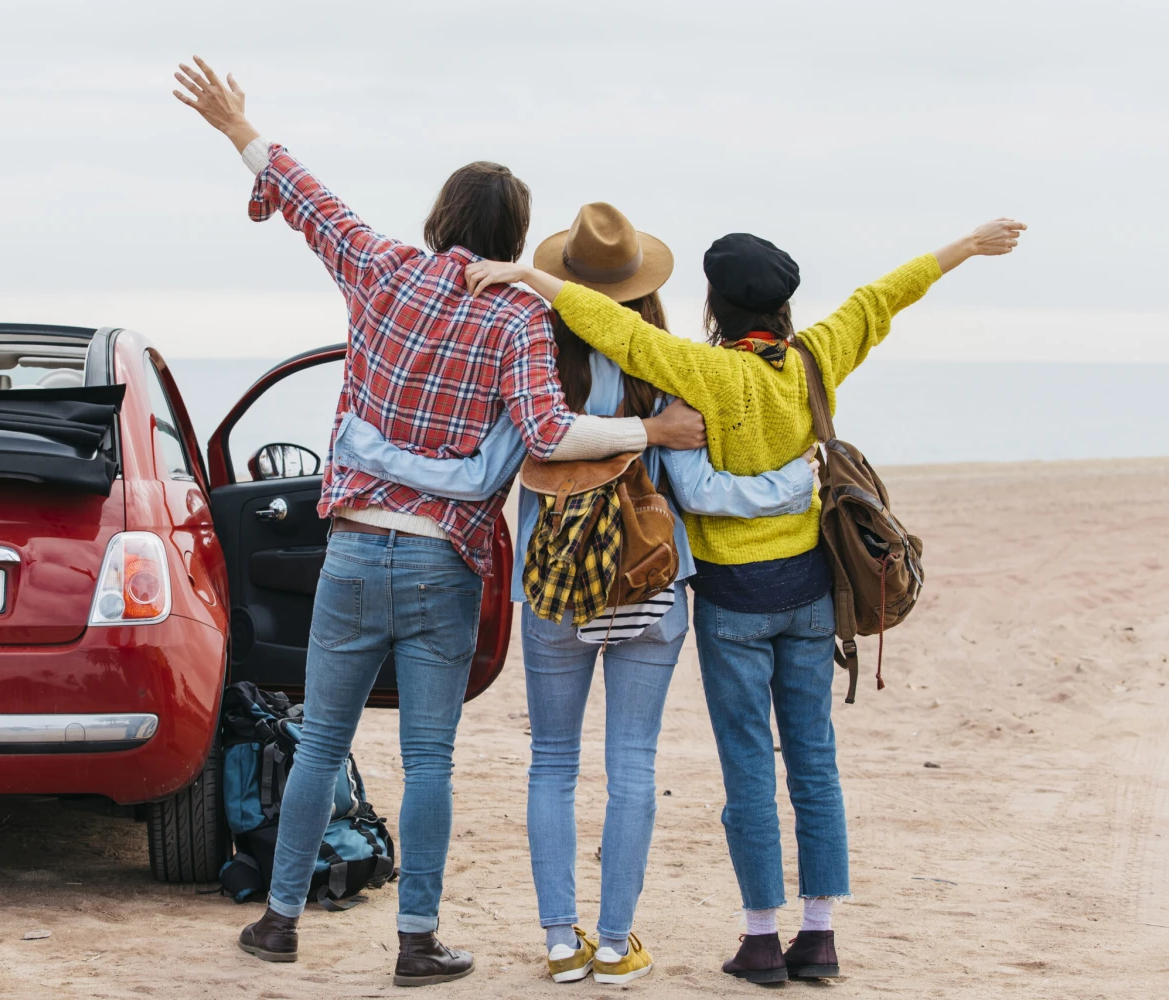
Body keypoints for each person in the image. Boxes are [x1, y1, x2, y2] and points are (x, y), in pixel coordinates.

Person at [172, 59, 701, 988]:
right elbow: (545, 432)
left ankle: (279, 922)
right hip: (439, 564)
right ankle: (417, 941)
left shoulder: (379, 268)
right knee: (428, 761)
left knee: (321, 743)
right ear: (515, 239)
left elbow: (305, 198)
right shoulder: (516, 320)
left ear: (439, 218)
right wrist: (649, 428)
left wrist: (237, 128)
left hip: (349, 552)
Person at [463, 217, 1027, 983]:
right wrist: (964, 246)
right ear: (784, 308)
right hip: (810, 596)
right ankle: (819, 935)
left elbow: (610, 328)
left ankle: (762, 938)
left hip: (732, 605)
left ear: (713, 308)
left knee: (747, 771)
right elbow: (883, 298)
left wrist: (533, 278)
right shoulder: (814, 359)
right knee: (815, 762)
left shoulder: (702, 371)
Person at [329, 202, 818, 985]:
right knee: (633, 764)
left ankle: (562, 941)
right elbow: (695, 482)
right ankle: (618, 944)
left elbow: (497, 454)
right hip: (651, 584)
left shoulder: (531, 347)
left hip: (555, 586)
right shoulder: (667, 365)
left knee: (551, 763)